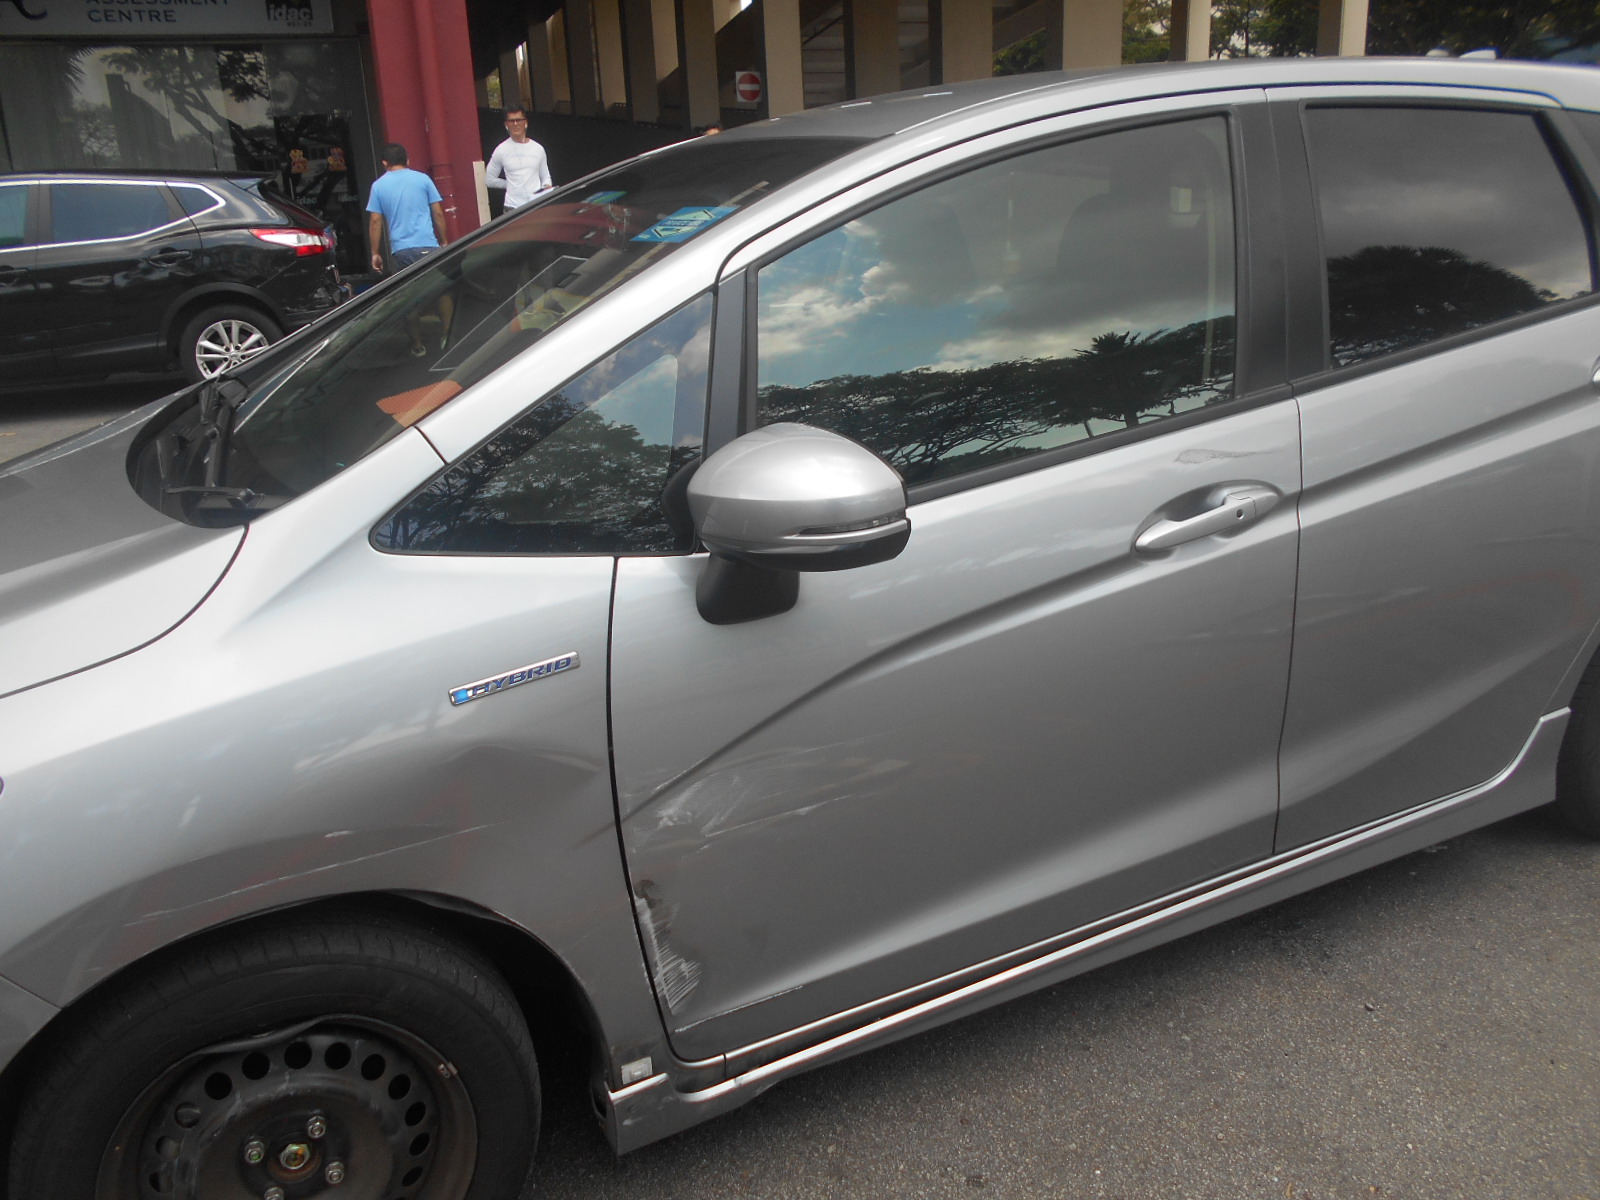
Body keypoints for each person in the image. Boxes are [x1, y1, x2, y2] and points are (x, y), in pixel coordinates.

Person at [484, 109, 552, 211]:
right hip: (512, 208)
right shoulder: (501, 150)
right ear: (506, 124)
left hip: (536, 206)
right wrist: (511, 184)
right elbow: (489, 180)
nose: (515, 124)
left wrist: (546, 187)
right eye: (511, 121)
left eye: (519, 120)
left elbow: (545, 176)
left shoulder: (538, 149)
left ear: (525, 122)